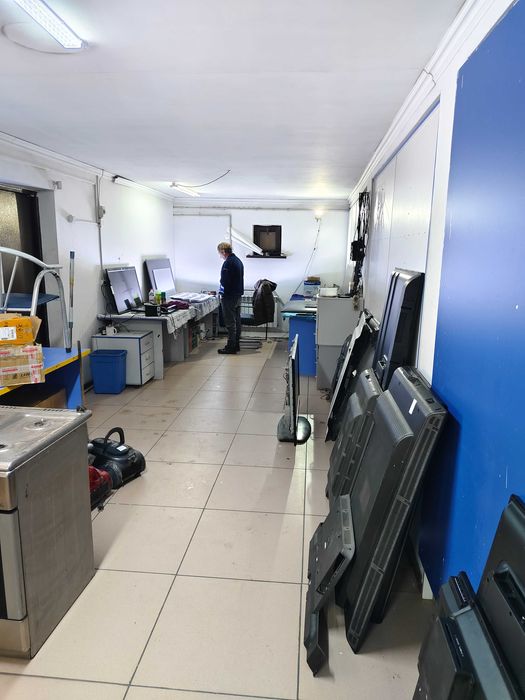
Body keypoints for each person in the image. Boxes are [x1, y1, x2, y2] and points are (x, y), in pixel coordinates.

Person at [217, 241, 244, 354]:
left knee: (230, 323)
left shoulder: (228, 263)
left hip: (229, 296)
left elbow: (225, 281)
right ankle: (236, 344)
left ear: (223, 251)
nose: (220, 256)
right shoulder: (238, 261)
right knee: (237, 321)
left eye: (220, 253)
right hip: (237, 295)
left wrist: (222, 292)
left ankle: (230, 347)